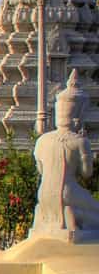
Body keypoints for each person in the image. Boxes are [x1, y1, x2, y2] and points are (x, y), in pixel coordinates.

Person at [33, 71, 99, 241]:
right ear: (78, 115)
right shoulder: (79, 141)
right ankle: (72, 214)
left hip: (43, 194)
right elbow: (87, 173)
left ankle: (58, 214)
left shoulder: (42, 140)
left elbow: (41, 171)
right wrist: (87, 155)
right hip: (68, 193)